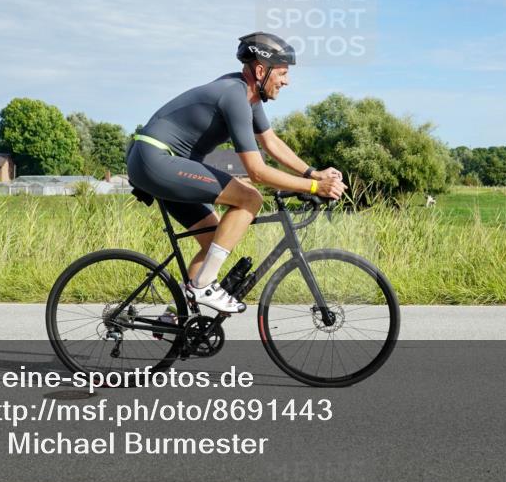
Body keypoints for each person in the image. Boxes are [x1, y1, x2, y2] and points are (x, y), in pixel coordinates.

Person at [126, 32, 346, 313]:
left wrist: (312, 173)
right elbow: (256, 171)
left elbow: (271, 141)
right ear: (260, 70)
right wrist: (315, 188)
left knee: (213, 240)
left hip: (159, 162)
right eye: (282, 73)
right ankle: (202, 287)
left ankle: (178, 317)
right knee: (250, 198)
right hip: (156, 160)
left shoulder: (248, 96)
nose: (286, 81)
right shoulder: (234, 96)